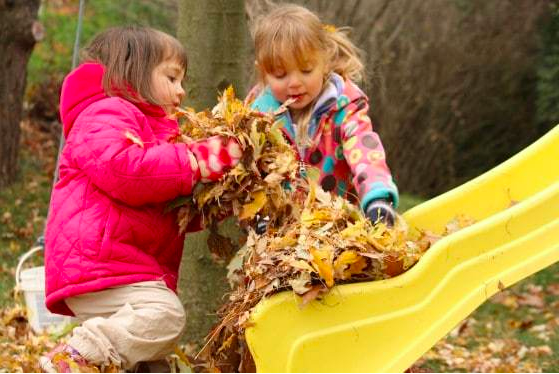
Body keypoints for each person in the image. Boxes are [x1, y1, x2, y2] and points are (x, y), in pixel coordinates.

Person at [39, 26, 241, 372]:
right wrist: (193, 161)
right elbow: (125, 171)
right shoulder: (105, 113)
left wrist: (216, 202)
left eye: (183, 82)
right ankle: (73, 357)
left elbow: (163, 201)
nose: (181, 91)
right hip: (100, 260)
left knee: (150, 359)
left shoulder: (154, 132)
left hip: (125, 262)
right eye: (172, 78)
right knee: (163, 316)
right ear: (135, 71)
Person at [247, 4, 399, 228]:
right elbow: (252, 176)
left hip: (338, 226)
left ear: (324, 62)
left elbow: (365, 150)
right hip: (281, 235)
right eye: (280, 75)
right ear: (263, 72)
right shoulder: (256, 117)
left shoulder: (344, 109)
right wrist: (261, 217)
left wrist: (377, 197)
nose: (295, 83)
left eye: (306, 70)